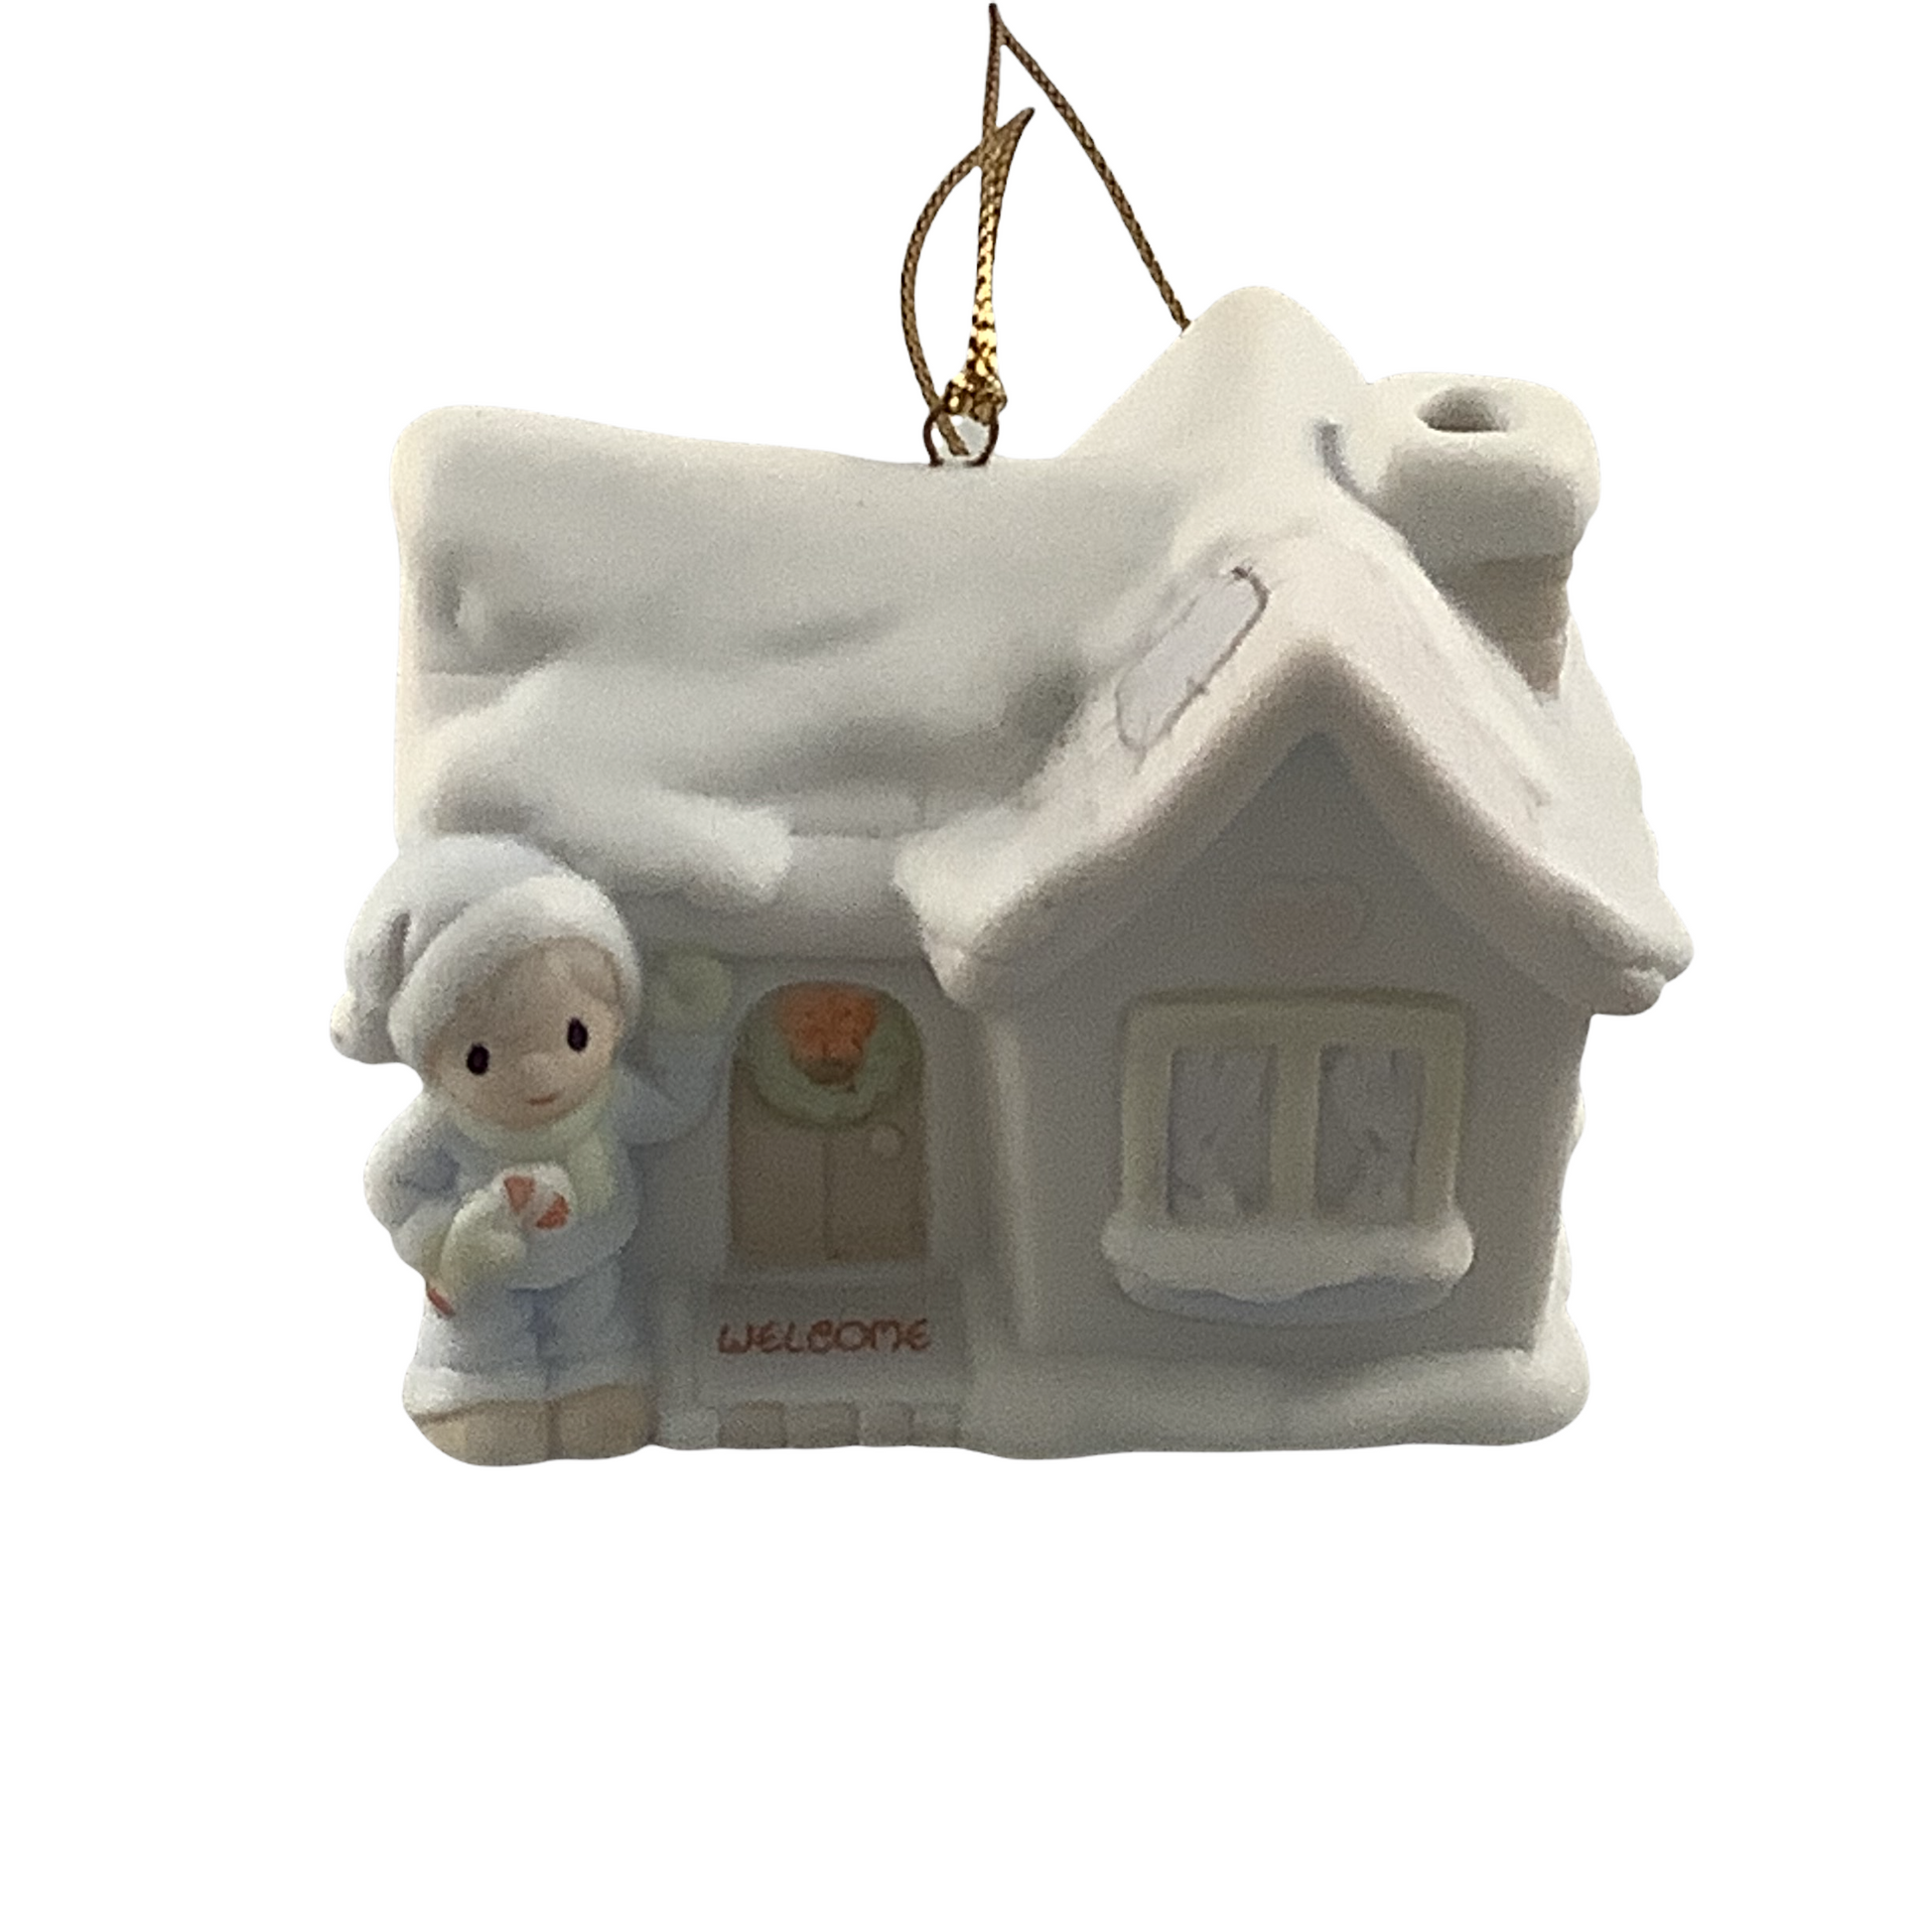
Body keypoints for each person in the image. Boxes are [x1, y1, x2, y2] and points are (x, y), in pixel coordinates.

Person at [333, 836, 731, 1463]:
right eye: (481, 1058)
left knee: (593, 1325)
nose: (541, 1074)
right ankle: (477, 1391)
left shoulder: (607, 1099)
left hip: (590, 1260)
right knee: (481, 1335)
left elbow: (671, 1110)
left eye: (575, 1036)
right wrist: (446, 1240)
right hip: (487, 1273)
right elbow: (391, 1185)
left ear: (614, 1020)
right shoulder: (447, 1124)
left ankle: (596, 1380)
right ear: (434, 1060)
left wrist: (690, 1030)